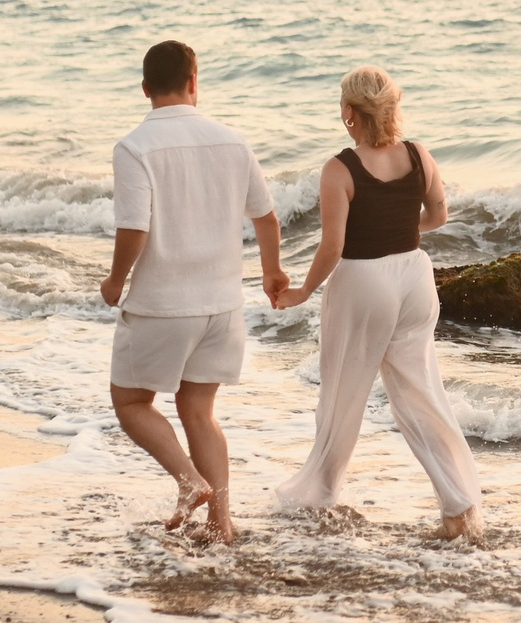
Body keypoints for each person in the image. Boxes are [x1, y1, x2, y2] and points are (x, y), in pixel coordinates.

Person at [271, 65, 484, 541]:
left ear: (350, 113)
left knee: (343, 395)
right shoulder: (418, 154)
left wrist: (303, 291)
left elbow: (332, 247)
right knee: (421, 394)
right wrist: (399, 233)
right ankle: (460, 506)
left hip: (364, 281)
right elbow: (438, 214)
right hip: (414, 275)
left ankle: (320, 493)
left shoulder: (339, 168)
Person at [99, 39, 286, 544]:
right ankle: (221, 523)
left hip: (164, 303)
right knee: (200, 411)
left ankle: (188, 482)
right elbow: (266, 217)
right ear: (194, 82)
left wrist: (115, 281)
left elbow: (135, 227)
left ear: (144, 89)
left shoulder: (135, 146)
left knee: (131, 402)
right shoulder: (232, 140)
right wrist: (272, 272)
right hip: (223, 304)